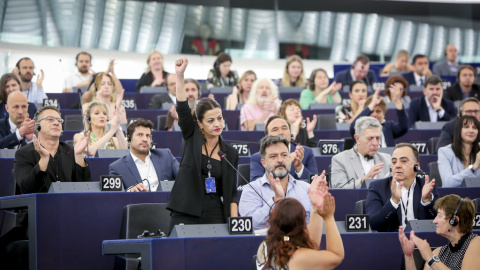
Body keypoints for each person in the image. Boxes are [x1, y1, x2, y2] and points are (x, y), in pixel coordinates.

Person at [166, 57, 239, 234]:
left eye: (220, 118)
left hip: (216, 211)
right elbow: (182, 107)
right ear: (200, 123)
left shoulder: (230, 153)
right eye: (211, 120)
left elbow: (232, 193)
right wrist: (180, 75)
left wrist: (235, 222)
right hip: (186, 210)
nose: (217, 124)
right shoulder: (192, 137)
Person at [255, 176, 344, 269]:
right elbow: (336, 255)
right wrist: (328, 217)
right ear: (301, 224)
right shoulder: (299, 257)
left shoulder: (265, 246)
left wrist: (316, 207)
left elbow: (310, 248)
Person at [239, 136, 313, 231]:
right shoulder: (251, 189)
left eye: (284, 155)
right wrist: (275, 200)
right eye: (273, 156)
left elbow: (316, 225)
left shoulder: (307, 188)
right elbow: (250, 225)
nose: (280, 160)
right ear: (263, 163)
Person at [13, 106, 91, 194]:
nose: (56, 123)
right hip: (40, 206)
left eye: (59, 120)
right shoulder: (24, 154)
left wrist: (79, 156)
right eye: (50, 119)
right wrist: (43, 160)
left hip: (68, 205)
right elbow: (27, 190)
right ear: (37, 125)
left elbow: (86, 189)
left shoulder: (71, 151)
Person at [366, 143, 438, 232]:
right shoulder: (378, 187)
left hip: (422, 242)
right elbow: (372, 224)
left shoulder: (427, 186)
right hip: (391, 242)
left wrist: (427, 201)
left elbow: (441, 222)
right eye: (394, 162)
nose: (397, 165)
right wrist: (393, 202)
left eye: (403, 161)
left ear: (416, 166)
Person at [399, 195, 480, 269]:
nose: (434, 221)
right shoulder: (438, 253)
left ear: (454, 221)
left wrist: (430, 257)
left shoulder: (476, 243)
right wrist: (408, 256)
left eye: (439, 216)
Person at [109, 119, 179, 191]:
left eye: (148, 136)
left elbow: (184, 177)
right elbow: (115, 196)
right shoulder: (117, 168)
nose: (145, 139)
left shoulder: (166, 156)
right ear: (129, 139)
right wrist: (129, 191)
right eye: (140, 135)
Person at [250, 115, 318, 182]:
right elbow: (256, 186)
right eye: (275, 129)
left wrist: (299, 167)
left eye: (284, 128)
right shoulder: (258, 157)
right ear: (267, 136)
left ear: (290, 132)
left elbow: (314, 183)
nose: (281, 132)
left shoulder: (305, 152)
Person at [331, 116, 391, 189]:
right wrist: (364, 180)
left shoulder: (387, 159)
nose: (375, 143)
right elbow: (340, 191)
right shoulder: (340, 160)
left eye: (378, 138)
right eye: (370, 139)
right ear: (357, 139)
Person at [438, 115, 480, 187]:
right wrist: (473, 168)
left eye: (474, 128)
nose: (471, 131)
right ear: (459, 130)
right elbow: (448, 183)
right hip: (453, 197)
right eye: (466, 127)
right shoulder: (444, 152)